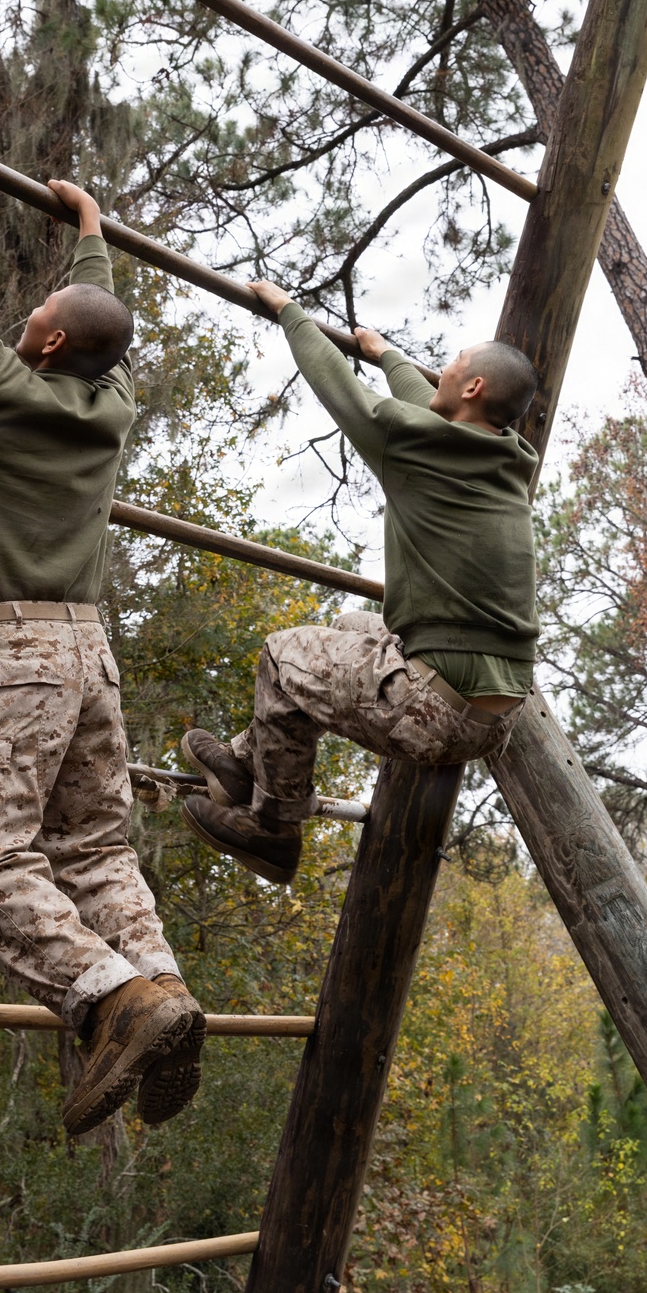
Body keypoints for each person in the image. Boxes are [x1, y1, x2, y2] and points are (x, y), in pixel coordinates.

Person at [0, 103, 203, 1135]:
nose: (16, 317)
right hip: (88, 653)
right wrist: (94, 230)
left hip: (12, 649)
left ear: (47, 339)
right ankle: (158, 985)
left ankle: (105, 998)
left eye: (35, 314)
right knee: (94, 845)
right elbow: (96, 329)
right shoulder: (106, 411)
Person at [181, 278, 540, 886]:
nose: (443, 371)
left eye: (451, 365)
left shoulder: (418, 440)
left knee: (282, 654)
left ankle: (274, 830)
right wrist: (387, 354)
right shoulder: (501, 455)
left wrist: (289, 313)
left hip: (436, 712)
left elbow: (345, 395)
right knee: (352, 627)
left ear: (473, 386)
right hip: (496, 711)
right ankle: (245, 763)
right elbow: (424, 408)